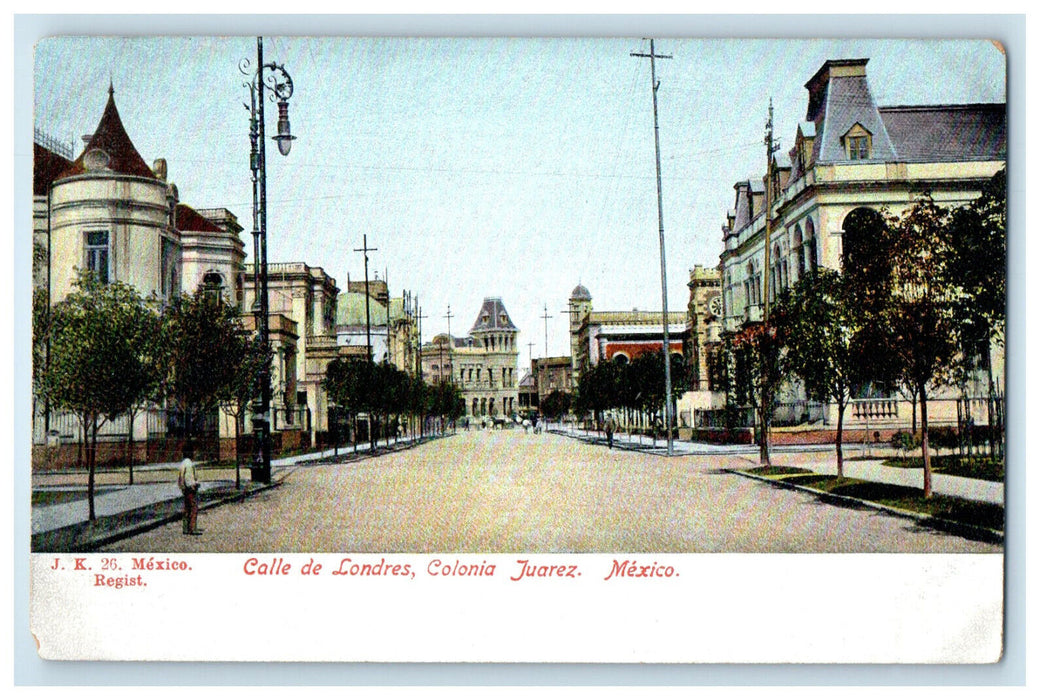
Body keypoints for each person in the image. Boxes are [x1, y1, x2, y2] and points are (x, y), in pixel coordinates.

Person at [178, 446, 202, 536]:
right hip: (190, 489)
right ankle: (192, 528)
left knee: (186, 509)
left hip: (185, 489)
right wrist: (193, 485)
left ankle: (185, 528)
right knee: (193, 508)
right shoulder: (190, 464)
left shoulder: (183, 463)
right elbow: (188, 477)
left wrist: (182, 487)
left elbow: (180, 477)